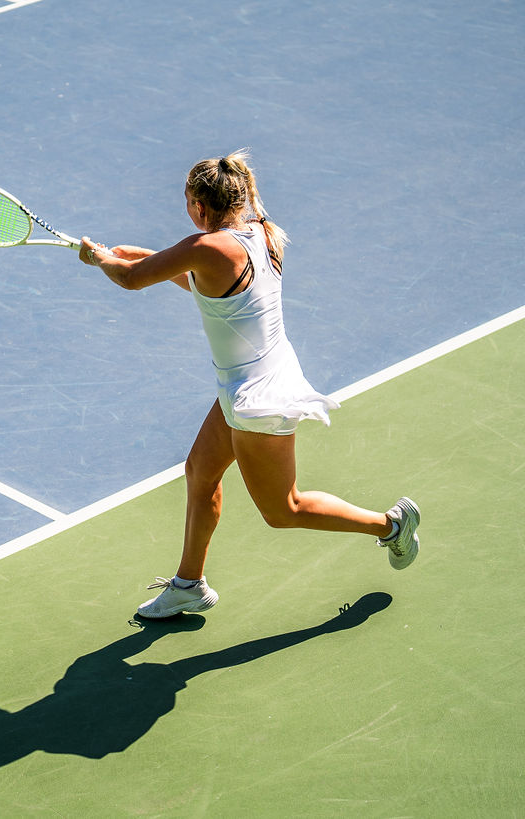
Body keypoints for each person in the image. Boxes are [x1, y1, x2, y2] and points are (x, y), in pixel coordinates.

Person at [78, 149, 420, 618]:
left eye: (187, 201)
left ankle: (390, 525)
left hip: (258, 398)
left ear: (200, 206)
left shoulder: (206, 249)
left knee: (284, 510)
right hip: (250, 381)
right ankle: (189, 584)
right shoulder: (260, 232)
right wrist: (136, 257)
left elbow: (132, 280)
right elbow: (210, 291)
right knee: (201, 472)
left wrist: (100, 259)